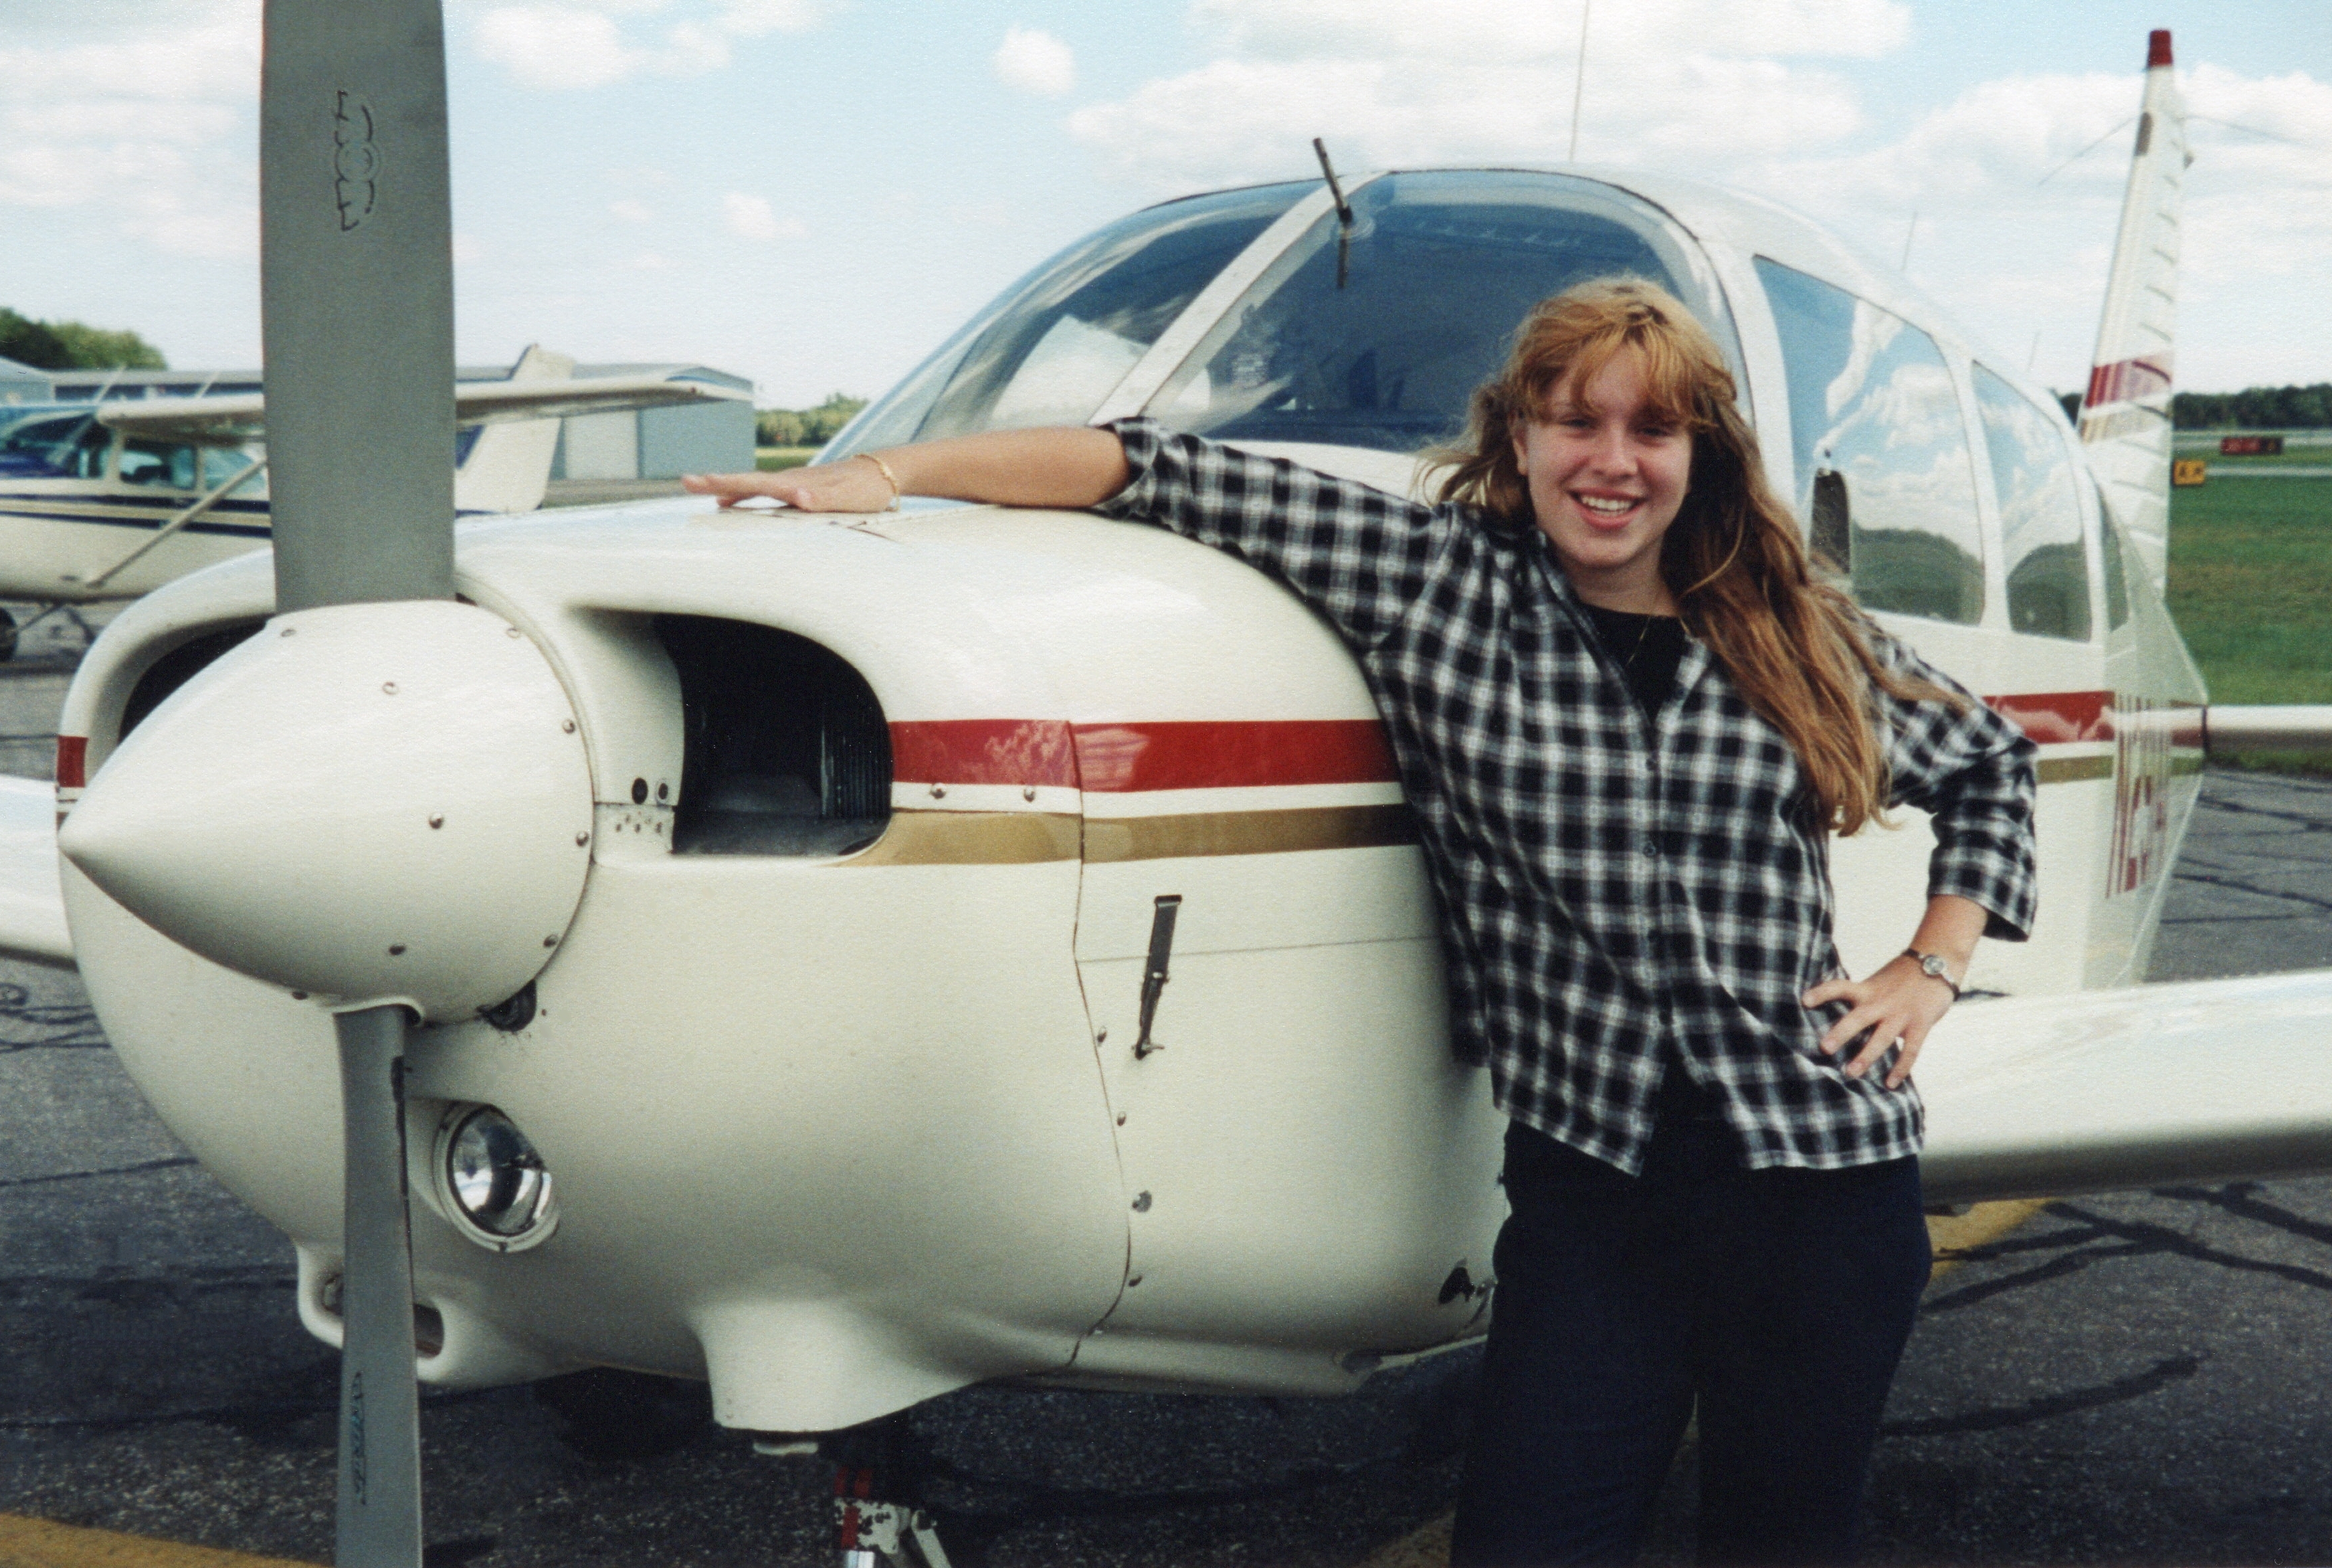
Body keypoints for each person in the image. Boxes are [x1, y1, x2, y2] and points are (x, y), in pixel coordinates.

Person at [685, 278, 2037, 1566]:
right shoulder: (1434, 582)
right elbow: (1147, 468)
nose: (1611, 459)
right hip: (1595, 1190)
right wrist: (885, 476)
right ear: (1520, 434)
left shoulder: (1788, 628)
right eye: (1576, 419)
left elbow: (1988, 760)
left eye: (1651, 426)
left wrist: (1932, 961)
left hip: (1818, 1187)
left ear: (1702, 454)